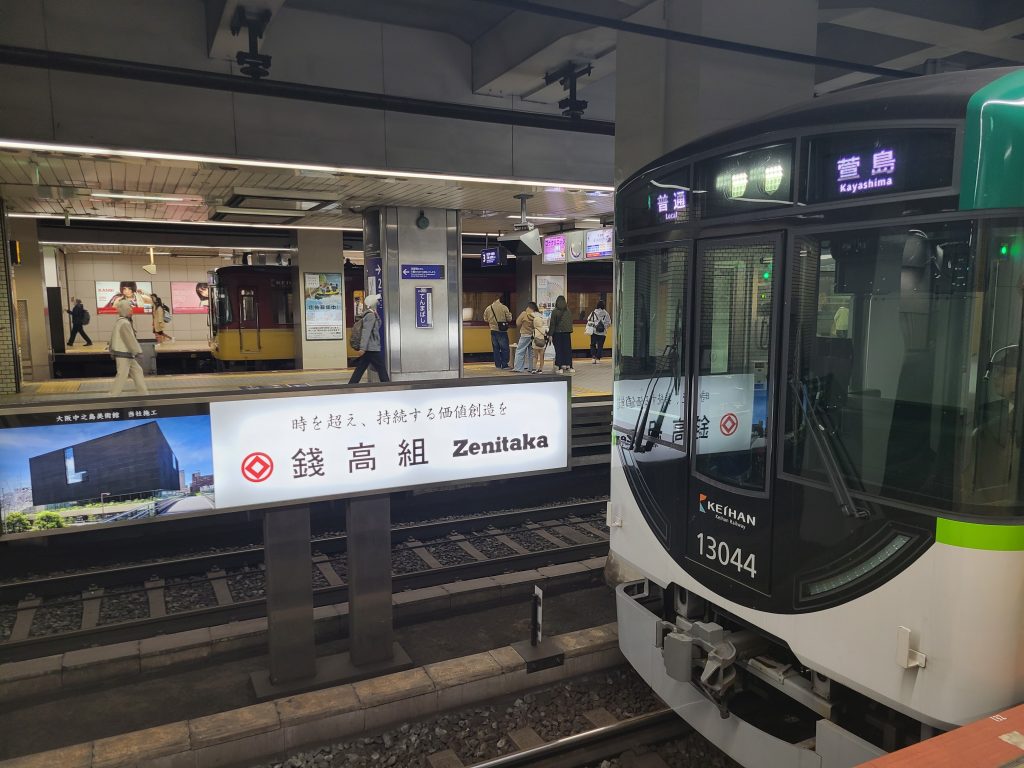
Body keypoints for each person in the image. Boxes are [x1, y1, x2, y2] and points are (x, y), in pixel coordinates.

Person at [109, 299, 149, 396]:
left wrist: (111, 350)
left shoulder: (120, 322)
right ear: (125, 309)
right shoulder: (124, 323)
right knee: (122, 375)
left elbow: (112, 337)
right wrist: (137, 351)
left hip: (126, 354)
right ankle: (113, 396)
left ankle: (143, 393)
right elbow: (129, 339)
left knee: (137, 371)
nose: (131, 309)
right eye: (129, 308)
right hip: (123, 354)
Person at [349, 294, 390, 384]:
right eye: (376, 301)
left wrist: (376, 316)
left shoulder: (372, 314)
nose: (378, 302)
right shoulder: (370, 316)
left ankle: (351, 384)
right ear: (373, 303)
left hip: (370, 348)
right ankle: (387, 384)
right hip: (371, 347)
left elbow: (377, 326)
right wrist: (362, 348)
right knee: (381, 367)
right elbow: (366, 332)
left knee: (361, 368)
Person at [484, 295, 513, 369]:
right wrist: (510, 315)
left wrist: (492, 322)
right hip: (502, 330)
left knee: (496, 348)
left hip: (493, 330)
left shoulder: (488, 308)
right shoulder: (504, 307)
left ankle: (497, 365)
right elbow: (509, 319)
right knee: (505, 348)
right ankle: (504, 365)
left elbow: (485, 319)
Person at [549, 295, 574, 374]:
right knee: (567, 349)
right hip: (567, 333)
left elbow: (552, 323)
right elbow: (570, 322)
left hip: (557, 333)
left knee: (559, 350)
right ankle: (569, 366)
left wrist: (550, 334)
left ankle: (560, 367)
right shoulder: (568, 311)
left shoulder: (555, 311)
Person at [512, 301, 539, 373]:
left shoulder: (524, 314)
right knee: (531, 352)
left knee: (520, 351)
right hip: (533, 335)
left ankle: (518, 368)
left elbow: (517, 323)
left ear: (528, 307)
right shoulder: (537, 315)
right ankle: (531, 368)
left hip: (524, 335)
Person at [531, 307, 549, 373]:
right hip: (542, 345)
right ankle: (540, 369)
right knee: (542, 357)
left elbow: (532, 337)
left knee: (535, 357)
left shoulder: (534, 330)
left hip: (535, 345)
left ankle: (534, 369)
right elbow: (546, 336)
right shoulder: (544, 329)